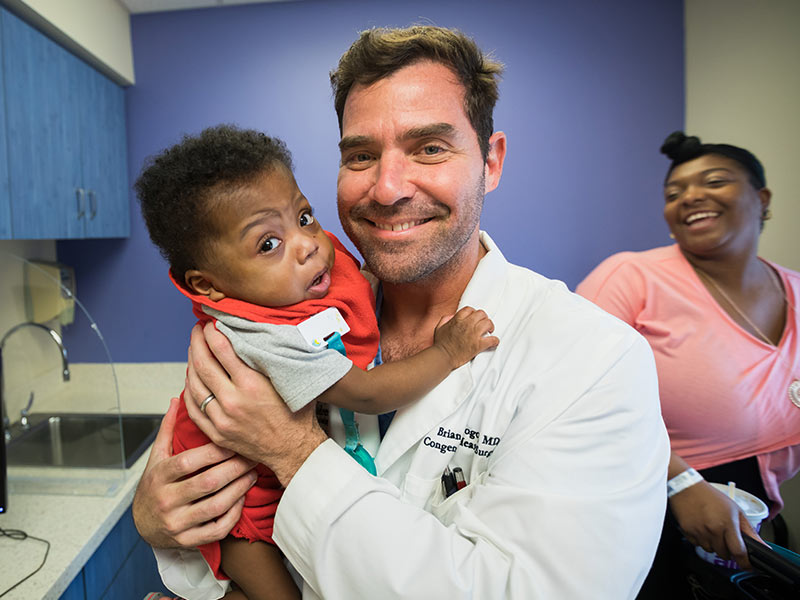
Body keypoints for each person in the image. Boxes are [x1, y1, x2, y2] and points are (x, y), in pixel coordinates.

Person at [133, 25, 670, 599]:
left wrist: (292, 453)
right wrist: (162, 519)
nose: (387, 188)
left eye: (430, 148)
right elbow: (225, 511)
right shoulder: (297, 314)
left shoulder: (595, 362)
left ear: (490, 162)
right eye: (361, 155)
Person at [135, 124, 498, 600]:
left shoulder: (305, 278)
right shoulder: (265, 338)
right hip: (237, 509)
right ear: (207, 286)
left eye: (303, 217)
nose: (307, 243)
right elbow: (366, 392)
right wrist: (447, 352)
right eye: (268, 244)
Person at [577, 131, 800, 597]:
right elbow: (570, 389)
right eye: (673, 194)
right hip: (641, 509)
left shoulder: (796, 291)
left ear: (761, 199)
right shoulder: (632, 278)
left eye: (714, 181)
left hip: (750, 525)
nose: (690, 197)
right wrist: (681, 484)